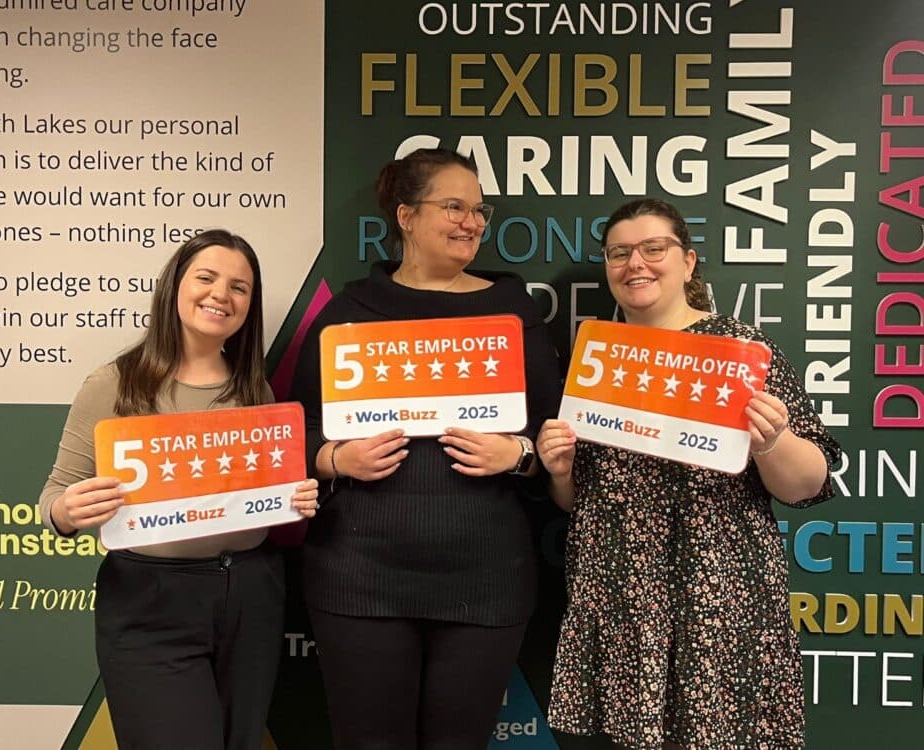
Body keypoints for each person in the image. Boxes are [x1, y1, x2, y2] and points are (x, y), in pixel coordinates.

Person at [536, 198, 841, 749]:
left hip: (719, 596)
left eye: (655, 248)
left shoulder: (742, 351)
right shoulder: (594, 358)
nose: (637, 264)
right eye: (620, 253)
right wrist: (559, 471)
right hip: (619, 597)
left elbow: (808, 484)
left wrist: (773, 442)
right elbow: (577, 500)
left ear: (689, 261)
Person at [289, 147, 562, 750]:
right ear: (406, 215)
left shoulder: (512, 310)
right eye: (454, 206)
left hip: (485, 578)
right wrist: (337, 458)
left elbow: (555, 436)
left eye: (480, 210)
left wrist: (515, 455)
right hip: (359, 575)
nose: (472, 222)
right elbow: (298, 430)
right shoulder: (350, 314)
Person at [39, 229, 320, 750]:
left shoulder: (253, 388)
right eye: (207, 278)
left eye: (240, 287)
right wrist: (66, 510)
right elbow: (54, 499)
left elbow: (268, 490)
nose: (222, 295)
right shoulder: (114, 383)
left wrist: (294, 496)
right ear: (174, 286)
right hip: (151, 600)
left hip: (251, 596)